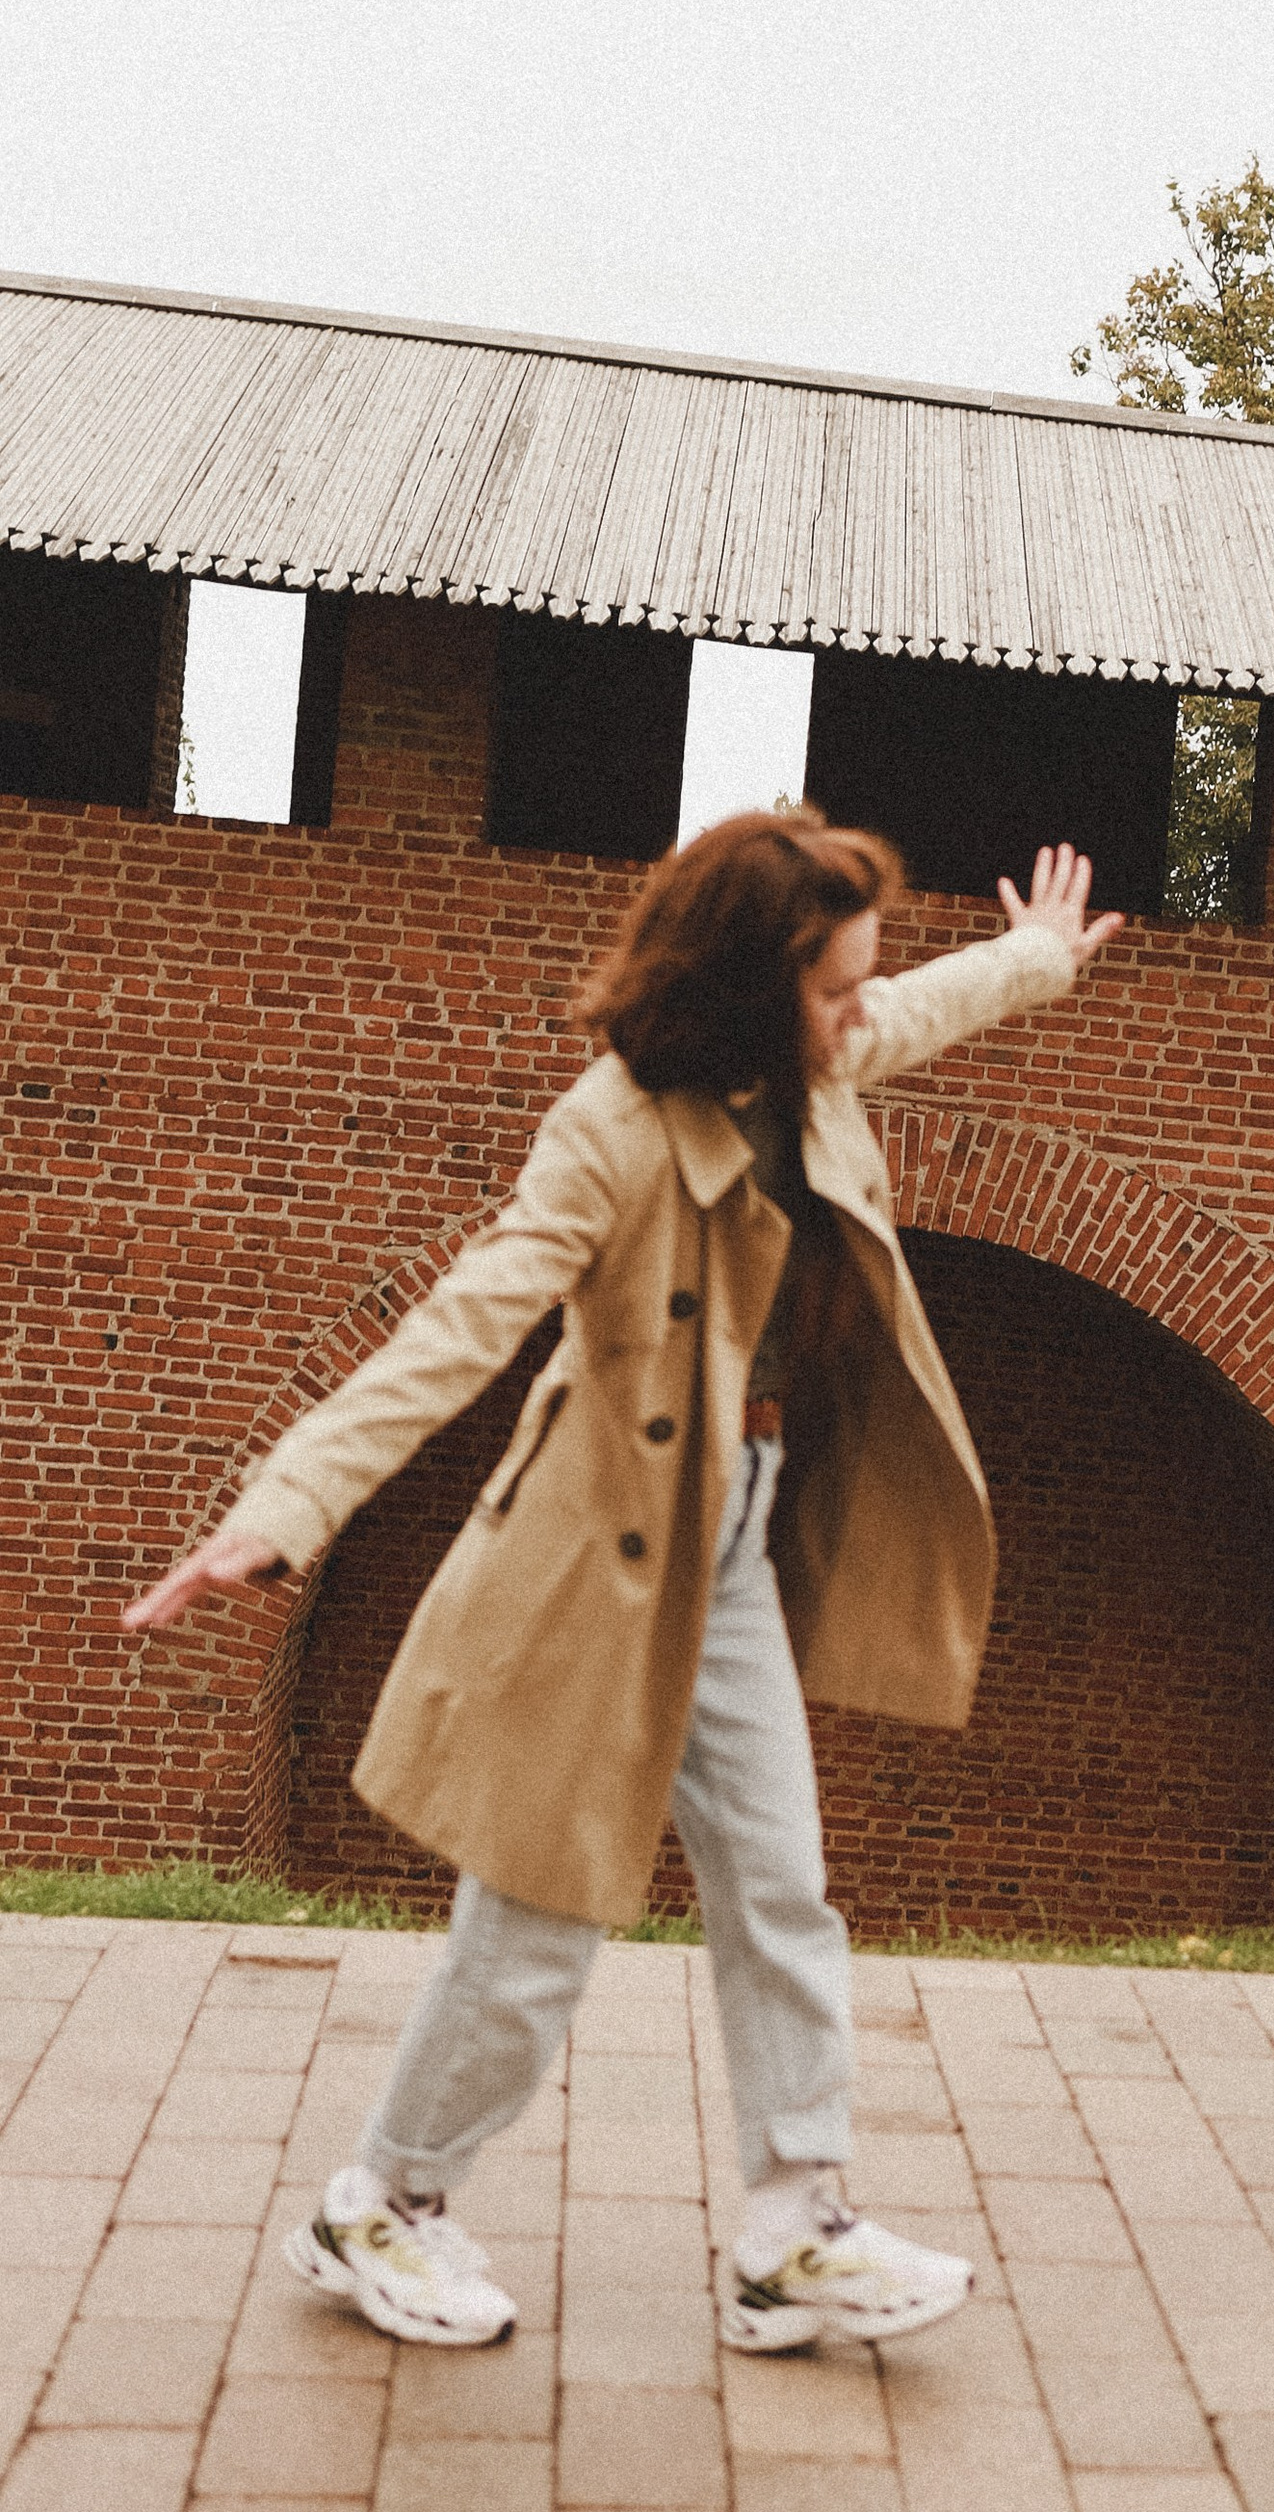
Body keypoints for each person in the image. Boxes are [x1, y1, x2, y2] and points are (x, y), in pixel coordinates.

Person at [125, 810, 1119, 2352]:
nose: (862, 1009)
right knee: (539, 1923)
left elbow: (921, 1007)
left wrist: (1037, 958)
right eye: (835, 985)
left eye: (862, 981)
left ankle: (794, 2226)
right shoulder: (612, 1130)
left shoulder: (815, 1062)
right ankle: (381, 2201)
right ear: (752, 988)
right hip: (595, 1565)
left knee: (781, 1884)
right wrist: (288, 1501)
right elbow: (463, 1319)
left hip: (730, 1538)